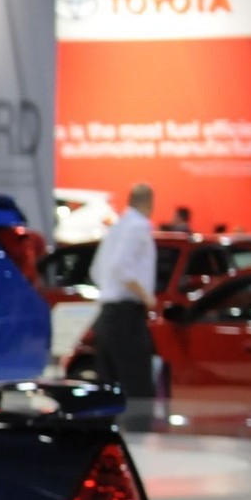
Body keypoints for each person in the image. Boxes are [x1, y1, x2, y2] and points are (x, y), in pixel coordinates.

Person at [91, 181, 162, 427]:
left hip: (107, 315)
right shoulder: (139, 226)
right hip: (126, 316)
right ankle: (138, 446)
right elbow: (122, 269)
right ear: (149, 202)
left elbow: (97, 270)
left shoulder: (117, 227)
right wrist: (147, 298)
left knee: (109, 385)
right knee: (138, 387)